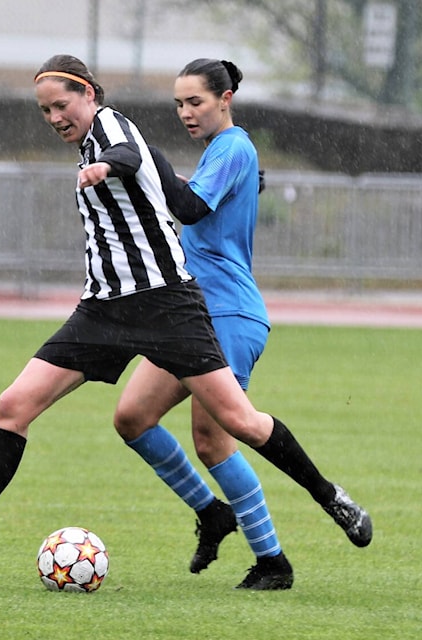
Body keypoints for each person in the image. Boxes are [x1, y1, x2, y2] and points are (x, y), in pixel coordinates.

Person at [0, 54, 371, 591]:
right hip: (102, 308)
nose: (54, 117)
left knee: (235, 424)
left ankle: (327, 498)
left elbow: (130, 153)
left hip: (167, 304)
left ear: (89, 95)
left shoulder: (111, 127)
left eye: (62, 104)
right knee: (18, 405)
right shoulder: (87, 140)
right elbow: (171, 188)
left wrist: (111, 165)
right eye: (45, 110)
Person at [113, 60, 290, 589]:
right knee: (132, 417)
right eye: (179, 104)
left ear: (225, 98)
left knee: (213, 439)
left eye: (196, 102)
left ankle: (272, 562)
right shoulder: (223, 154)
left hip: (229, 314)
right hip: (192, 316)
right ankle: (213, 513)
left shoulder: (234, 146)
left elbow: (187, 206)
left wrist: (142, 158)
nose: (186, 112)